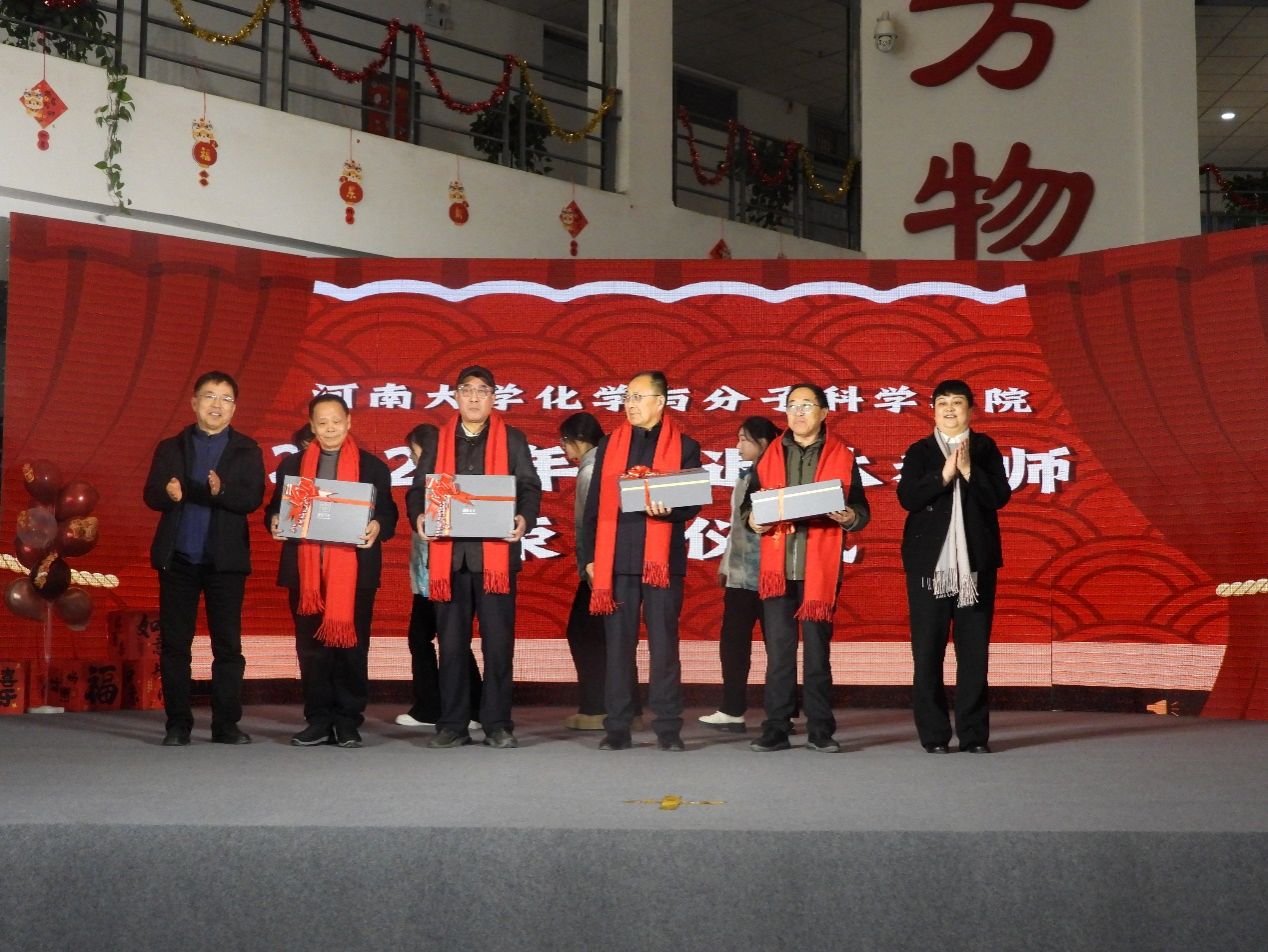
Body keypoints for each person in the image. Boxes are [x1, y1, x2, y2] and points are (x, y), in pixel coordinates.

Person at [405, 366, 542, 750]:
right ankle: (453, 724)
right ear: (456, 396)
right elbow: (418, 490)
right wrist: (419, 516)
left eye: (483, 391)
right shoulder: (438, 440)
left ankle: (497, 723)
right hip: (450, 559)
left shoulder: (512, 439)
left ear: (494, 397)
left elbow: (529, 486)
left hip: (494, 558)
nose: (475, 397)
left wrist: (524, 519)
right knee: (451, 647)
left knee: (498, 645)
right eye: (467, 390)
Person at [266, 393, 398, 749]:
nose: (330, 429)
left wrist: (377, 526)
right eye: (322, 423)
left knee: (352, 648)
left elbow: (389, 514)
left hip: (354, 572)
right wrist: (275, 520)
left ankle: (348, 720)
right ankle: (318, 719)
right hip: (306, 571)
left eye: (336, 421)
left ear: (349, 422)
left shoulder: (373, 467)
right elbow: (275, 509)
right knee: (311, 649)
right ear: (311, 425)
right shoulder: (292, 466)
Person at [582, 371, 702, 752]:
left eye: (638, 397)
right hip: (615, 560)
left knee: (664, 647)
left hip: (661, 562)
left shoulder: (685, 446)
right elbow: (592, 506)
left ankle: (668, 727)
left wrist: (669, 511)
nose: (630, 404)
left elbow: (692, 503)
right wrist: (588, 558)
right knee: (618, 648)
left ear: (660, 401)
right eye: (627, 398)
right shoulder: (609, 444)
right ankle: (618, 726)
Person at [143, 371, 265, 747]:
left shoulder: (247, 449)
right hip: (178, 559)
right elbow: (151, 495)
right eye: (209, 396)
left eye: (226, 399)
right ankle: (178, 724)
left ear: (234, 408)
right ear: (194, 402)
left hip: (224, 563)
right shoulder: (171, 447)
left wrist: (220, 490)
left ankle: (225, 725)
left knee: (227, 647)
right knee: (175, 646)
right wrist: (169, 494)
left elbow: (252, 499)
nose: (217, 405)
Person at [746, 383, 870, 753]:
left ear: (824, 412)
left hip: (819, 569)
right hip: (778, 569)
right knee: (779, 653)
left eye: (806, 405)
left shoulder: (842, 456)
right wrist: (752, 519)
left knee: (817, 652)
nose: (798, 412)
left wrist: (849, 517)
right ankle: (776, 727)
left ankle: (820, 729)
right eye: (792, 405)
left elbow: (861, 510)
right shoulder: (769, 455)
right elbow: (748, 507)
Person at [897, 379, 1012, 754]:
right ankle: (933, 735)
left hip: (975, 565)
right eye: (942, 403)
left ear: (971, 410)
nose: (949, 409)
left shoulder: (985, 448)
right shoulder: (920, 451)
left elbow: (999, 496)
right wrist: (944, 475)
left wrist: (969, 470)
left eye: (957, 403)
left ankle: (974, 735)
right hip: (928, 566)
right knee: (927, 652)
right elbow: (907, 497)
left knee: (974, 652)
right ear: (932, 410)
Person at [394, 423, 483, 730]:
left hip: (444, 576)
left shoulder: (449, 482)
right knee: (431, 639)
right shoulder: (423, 482)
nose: (413, 458)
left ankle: (461, 708)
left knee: (447, 641)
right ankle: (446, 706)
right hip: (425, 580)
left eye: (415, 452)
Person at [699, 415, 779, 733]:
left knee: (778, 646)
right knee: (733, 643)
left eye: (744, 439)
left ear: (763, 443)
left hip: (773, 575)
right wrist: (725, 565)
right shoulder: (745, 477)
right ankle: (732, 710)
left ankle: (782, 712)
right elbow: (737, 528)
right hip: (741, 576)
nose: (738, 445)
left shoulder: (780, 475)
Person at [560, 411, 638, 731]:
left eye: (565, 443)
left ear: (578, 441)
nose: (565, 451)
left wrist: (588, 567)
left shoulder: (590, 470)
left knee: (585, 635)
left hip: (600, 567)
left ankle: (597, 708)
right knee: (613, 636)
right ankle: (628, 709)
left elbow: (588, 526)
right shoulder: (609, 463)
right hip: (614, 564)